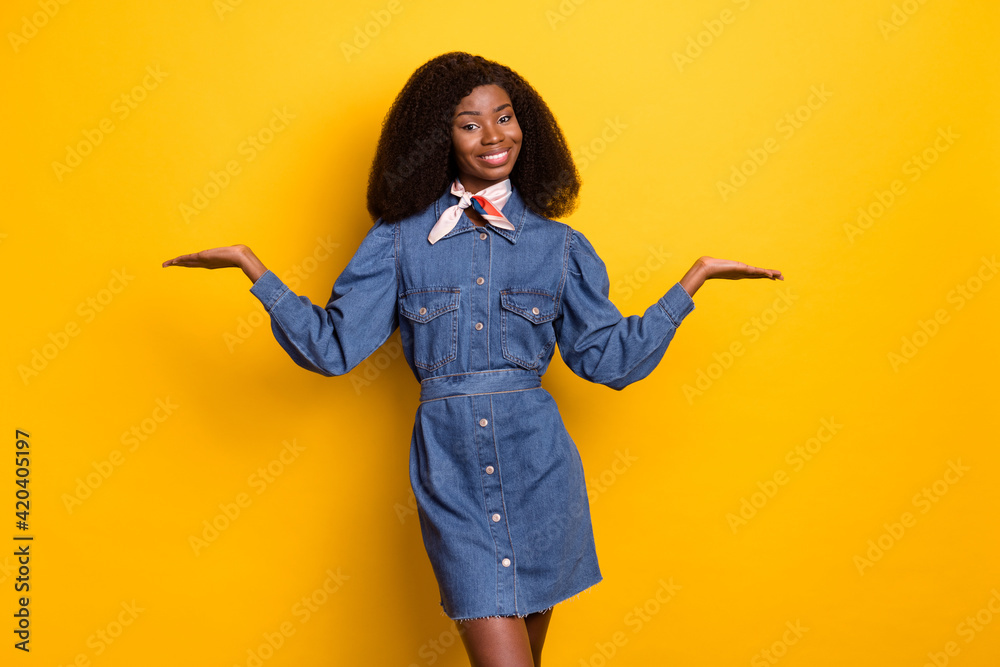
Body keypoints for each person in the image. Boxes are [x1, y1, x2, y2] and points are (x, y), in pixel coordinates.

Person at [163, 51, 783, 667]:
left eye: (505, 117)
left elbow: (607, 361)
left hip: (543, 474)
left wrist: (691, 283)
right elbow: (334, 348)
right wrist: (256, 271)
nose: (493, 136)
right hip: (452, 474)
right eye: (469, 122)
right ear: (440, 137)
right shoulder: (399, 240)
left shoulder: (559, 246)